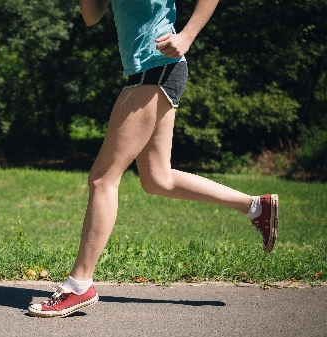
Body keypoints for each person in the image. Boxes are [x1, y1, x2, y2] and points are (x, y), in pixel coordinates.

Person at [28, 0, 279, 318]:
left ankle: (79, 285)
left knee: (103, 178)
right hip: (147, 71)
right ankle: (256, 206)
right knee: (158, 179)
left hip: (158, 67)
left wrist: (187, 35)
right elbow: (92, 16)